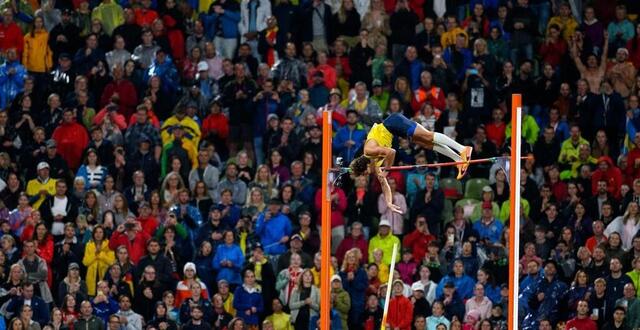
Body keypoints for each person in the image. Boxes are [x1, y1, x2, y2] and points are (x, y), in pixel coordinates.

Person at [349, 112, 473, 212]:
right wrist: (389, 202)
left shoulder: (370, 150)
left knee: (428, 136)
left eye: (365, 173)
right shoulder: (373, 163)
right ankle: (458, 160)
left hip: (393, 123)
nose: (367, 175)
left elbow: (391, 152)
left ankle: (462, 149)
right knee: (426, 144)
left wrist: (386, 170)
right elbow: (384, 184)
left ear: (364, 167)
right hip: (394, 131)